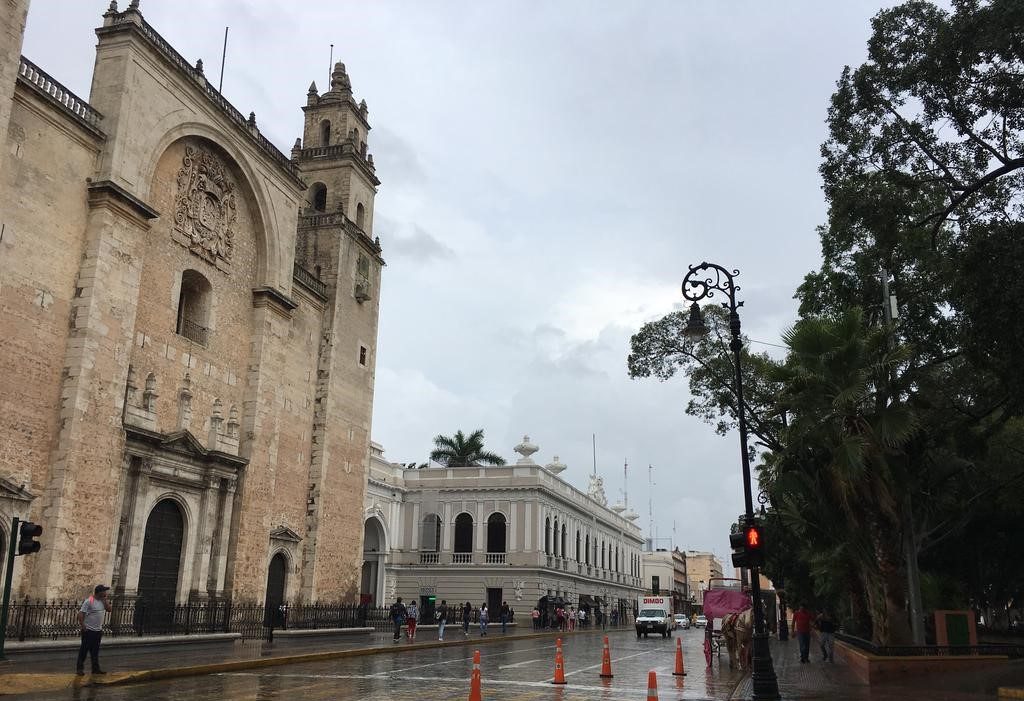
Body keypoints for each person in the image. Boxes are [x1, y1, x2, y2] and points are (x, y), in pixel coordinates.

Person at [76, 584, 111, 675]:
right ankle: (79, 669)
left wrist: (105, 601)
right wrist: (83, 625)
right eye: (104, 591)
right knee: (84, 650)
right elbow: (80, 613)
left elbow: (109, 609)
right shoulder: (90, 601)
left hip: (98, 631)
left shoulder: (102, 601)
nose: (105, 593)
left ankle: (95, 669)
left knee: (95, 651)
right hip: (89, 630)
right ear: (99, 592)